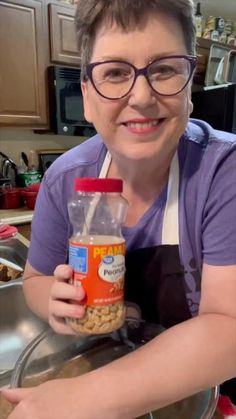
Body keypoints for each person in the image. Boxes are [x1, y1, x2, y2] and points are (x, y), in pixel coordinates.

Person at [3, 0, 236, 418]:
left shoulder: (223, 173)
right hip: (103, 359)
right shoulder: (64, 179)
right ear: (88, 97)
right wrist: (53, 301)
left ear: (189, 87)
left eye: (164, 69)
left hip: (200, 386)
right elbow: (35, 280)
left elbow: (229, 328)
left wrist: (84, 398)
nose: (142, 96)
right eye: (114, 73)